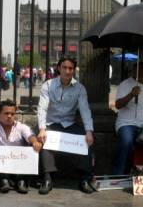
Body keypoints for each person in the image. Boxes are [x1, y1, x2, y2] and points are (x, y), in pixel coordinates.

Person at [37, 56, 95, 194]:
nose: (67, 71)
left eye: (70, 68)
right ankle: (47, 178)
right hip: (51, 122)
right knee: (43, 139)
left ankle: (84, 179)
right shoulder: (48, 85)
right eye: (64, 67)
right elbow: (42, 108)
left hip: (69, 123)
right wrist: (42, 129)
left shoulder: (80, 88)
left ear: (74, 70)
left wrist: (89, 131)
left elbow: (85, 110)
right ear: (59, 68)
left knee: (86, 140)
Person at [0, 100, 42, 193]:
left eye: (12, 114)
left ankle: (21, 183)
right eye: (6, 113)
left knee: (31, 152)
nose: (9, 116)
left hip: (17, 166)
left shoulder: (21, 127)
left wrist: (35, 142)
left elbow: (30, 136)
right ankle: (4, 182)